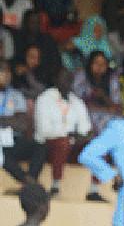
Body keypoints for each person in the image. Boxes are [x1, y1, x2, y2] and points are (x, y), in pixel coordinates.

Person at [34, 67, 92, 196]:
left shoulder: (76, 101)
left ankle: (94, 189)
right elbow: (44, 130)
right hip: (47, 146)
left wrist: (80, 135)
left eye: (70, 79)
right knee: (63, 143)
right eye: (64, 78)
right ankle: (55, 185)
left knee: (96, 145)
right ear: (56, 79)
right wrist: (67, 134)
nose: (67, 81)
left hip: (72, 144)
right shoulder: (45, 99)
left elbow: (85, 127)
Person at [0, 60, 46, 187]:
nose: (6, 75)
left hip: (13, 139)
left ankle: (30, 179)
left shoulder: (16, 95)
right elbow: (16, 120)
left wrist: (4, 120)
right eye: (2, 71)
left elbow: (22, 124)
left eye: (8, 71)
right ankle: (28, 182)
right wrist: (11, 119)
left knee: (40, 147)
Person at [72, 49, 122, 135]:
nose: (100, 67)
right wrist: (104, 109)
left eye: (103, 64)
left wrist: (103, 96)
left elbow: (118, 108)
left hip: (107, 117)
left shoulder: (112, 79)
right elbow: (77, 102)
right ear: (90, 64)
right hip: (86, 116)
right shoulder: (82, 76)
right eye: (96, 63)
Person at [13, 10, 62, 87]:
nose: (35, 25)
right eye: (32, 22)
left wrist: (35, 69)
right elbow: (16, 61)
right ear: (26, 23)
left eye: (38, 22)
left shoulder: (48, 39)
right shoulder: (19, 39)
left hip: (45, 78)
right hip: (24, 81)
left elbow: (56, 63)